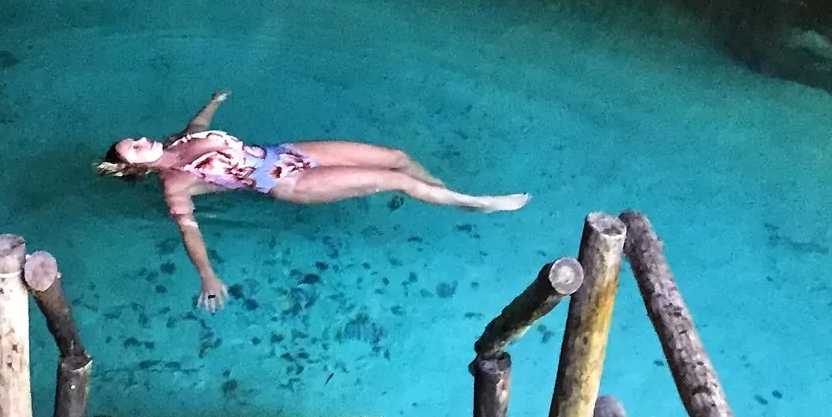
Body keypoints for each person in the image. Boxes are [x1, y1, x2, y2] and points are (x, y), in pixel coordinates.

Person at [95, 90, 530, 311]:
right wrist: (207, 276)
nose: (139, 139)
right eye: (134, 148)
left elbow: (196, 126)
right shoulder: (174, 183)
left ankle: (439, 188)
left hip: (288, 153)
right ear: (139, 168)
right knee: (392, 180)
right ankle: (474, 203)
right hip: (289, 186)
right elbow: (189, 231)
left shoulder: (174, 141)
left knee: (397, 158)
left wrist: (212, 103)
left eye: (133, 138)